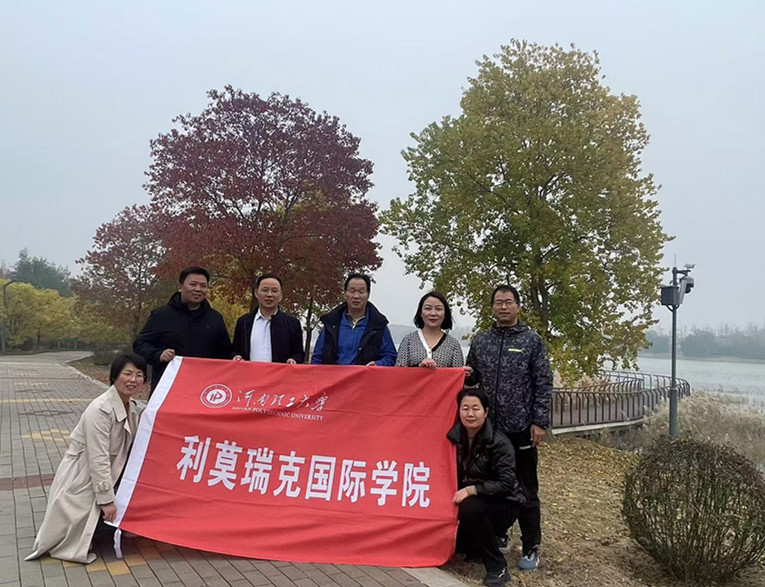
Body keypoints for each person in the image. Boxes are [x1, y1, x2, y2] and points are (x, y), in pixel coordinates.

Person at [26, 353, 147, 564]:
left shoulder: (133, 407)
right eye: (127, 373)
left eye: (139, 375)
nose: (133, 380)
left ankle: (109, 526)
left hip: (110, 473)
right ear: (114, 376)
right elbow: (98, 458)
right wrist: (106, 501)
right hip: (84, 475)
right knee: (80, 528)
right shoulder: (100, 410)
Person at [465, 285, 553, 571]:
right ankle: (499, 533)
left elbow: (543, 382)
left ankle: (531, 545)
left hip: (520, 428)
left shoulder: (531, 341)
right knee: (492, 485)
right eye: (498, 302)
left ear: (517, 306)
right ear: (492, 307)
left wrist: (539, 421)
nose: (503, 307)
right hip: (489, 430)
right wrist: (463, 374)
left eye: (508, 302)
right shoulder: (482, 341)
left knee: (525, 488)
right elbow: (471, 377)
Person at [447, 388, 525, 587]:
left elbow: (506, 483)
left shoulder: (499, 443)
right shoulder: (452, 438)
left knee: (470, 508)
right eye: (465, 408)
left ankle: (498, 567)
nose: (470, 414)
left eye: (476, 408)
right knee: (458, 543)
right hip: (471, 501)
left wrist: (471, 490)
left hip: (504, 503)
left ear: (486, 412)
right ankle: (475, 547)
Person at [134, 266, 233, 393]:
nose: (198, 289)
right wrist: (159, 354)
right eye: (193, 284)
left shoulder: (215, 318)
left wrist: (235, 357)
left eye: (203, 286)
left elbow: (225, 353)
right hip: (167, 388)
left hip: (203, 389)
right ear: (180, 287)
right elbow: (140, 344)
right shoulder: (161, 315)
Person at [310, 273, 397, 366]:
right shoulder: (331, 324)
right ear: (345, 294)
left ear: (368, 295)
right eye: (352, 291)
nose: (356, 296)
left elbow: (391, 357)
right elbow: (317, 358)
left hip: (366, 375)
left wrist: (378, 364)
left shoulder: (378, 326)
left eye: (361, 291)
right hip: (334, 375)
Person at [232, 274, 305, 364]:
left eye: (274, 291)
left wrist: (294, 360)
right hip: (249, 372)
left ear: (280, 295)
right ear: (256, 293)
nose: (269, 295)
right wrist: (236, 356)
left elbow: (299, 353)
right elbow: (235, 350)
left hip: (280, 373)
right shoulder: (244, 322)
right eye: (265, 290)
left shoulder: (292, 323)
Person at [395, 291, 465, 369]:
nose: (433, 313)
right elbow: (399, 372)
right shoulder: (408, 341)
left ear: (445, 314)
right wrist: (419, 367)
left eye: (438, 309)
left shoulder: (453, 344)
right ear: (420, 313)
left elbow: (457, 373)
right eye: (428, 308)